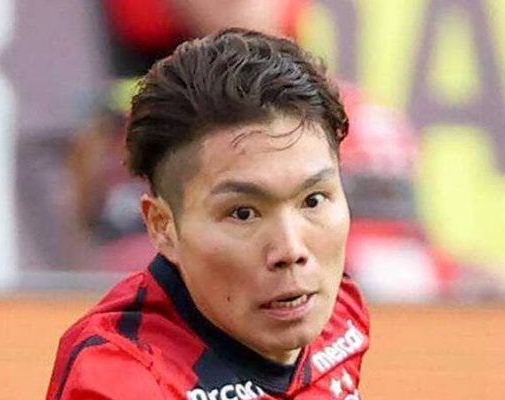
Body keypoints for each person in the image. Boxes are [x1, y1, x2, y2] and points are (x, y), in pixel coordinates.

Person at [46, 29, 369, 399]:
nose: (291, 250)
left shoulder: (337, 310)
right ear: (163, 227)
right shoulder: (122, 379)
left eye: (313, 200)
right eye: (243, 213)